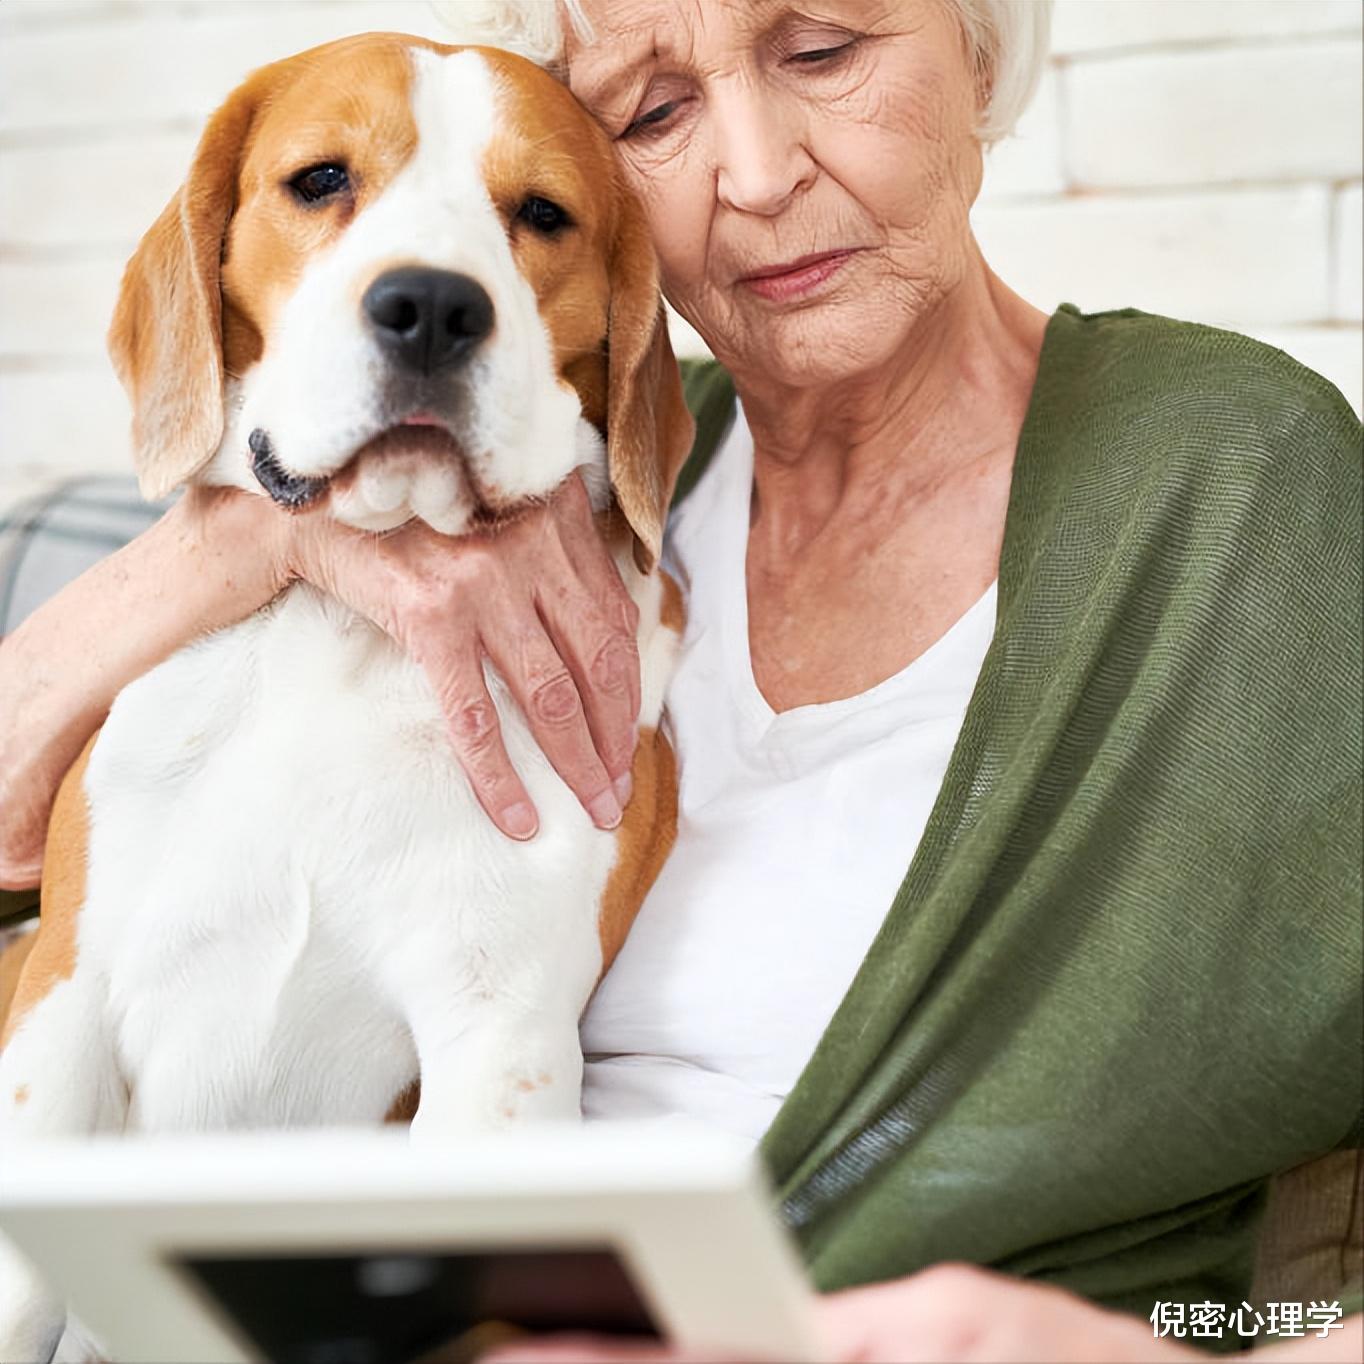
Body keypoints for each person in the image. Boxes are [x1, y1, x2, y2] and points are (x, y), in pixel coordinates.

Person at [0, 1, 1359, 1359]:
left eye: (824, 50)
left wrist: (1155, 1353)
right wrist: (268, 530)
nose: (759, 175)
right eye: (650, 113)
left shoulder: (1239, 477)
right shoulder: (558, 462)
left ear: (981, 52)